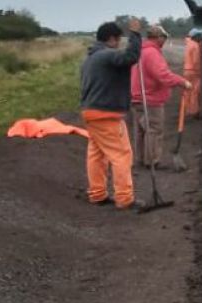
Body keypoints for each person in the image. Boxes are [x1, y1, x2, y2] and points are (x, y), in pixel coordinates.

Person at [79, 19, 142, 210]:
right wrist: (135, 35)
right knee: (122, 155)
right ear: (112, 39)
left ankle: (97, 194)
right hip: (106, 114)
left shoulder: (90, 59)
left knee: (96, 155)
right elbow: (130, 57)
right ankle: (125, 198)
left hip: (91, 112)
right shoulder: (106, 56)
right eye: (119, 40)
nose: (119, 44)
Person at [130, 25, 192, 168]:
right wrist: (182, 82)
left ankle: (140, 159)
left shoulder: (140, 51)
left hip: (137, 97)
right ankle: (152, 161)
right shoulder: (152, 53)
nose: (165, 40)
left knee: (140, 131)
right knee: (153, 130)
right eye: (164, 37)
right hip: (150, 99)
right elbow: (162, 75)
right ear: (158, 37)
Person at [184, 28, 202, 118]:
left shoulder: (188, 44)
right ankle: (194, 111)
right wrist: (199, 72)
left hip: (186, 70)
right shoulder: (195, 45)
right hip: (194, 72)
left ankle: (187, 110)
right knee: (195, 92)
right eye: (200, 35)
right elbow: (196, 61)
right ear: (196, 36)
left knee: (188, 91)